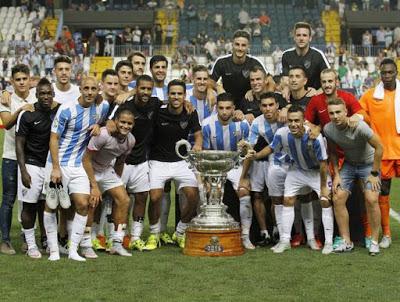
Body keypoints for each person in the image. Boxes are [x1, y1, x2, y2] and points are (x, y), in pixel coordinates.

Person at [247, 105, 334, 254]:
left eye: (297, 121)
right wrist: (256, 155)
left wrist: (323, 186)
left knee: (325, 200)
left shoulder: (314, 137)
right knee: (287, 200)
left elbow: (323, 163)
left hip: (316, 172)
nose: (293, 124)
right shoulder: (282, 133)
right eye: (290, 121)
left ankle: (328, 242)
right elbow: (272, 148)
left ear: (303, 121)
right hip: (297, 170)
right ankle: (285, 240)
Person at [45, 76, 109, 261]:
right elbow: (54, 138)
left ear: (98, 90)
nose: (89, 92)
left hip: (78, 164)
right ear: (80, 89)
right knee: (51, 206)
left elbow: (106, 120)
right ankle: (54, 250)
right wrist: (55, 168)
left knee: (83, 204)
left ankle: (73, 250)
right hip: (58, 164)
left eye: (93, 89)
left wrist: (99, 125)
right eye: (86, 88)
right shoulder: (66, 109)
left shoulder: (101, 108)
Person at [145, 80, 202, 250]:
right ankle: (154, 235)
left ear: (185, 96)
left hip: (181, 161)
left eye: (179, 94)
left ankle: (180, 232)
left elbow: (198, 134)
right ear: (168, 95)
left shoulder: (191, 112)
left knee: (193, 195)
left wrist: (198, 144)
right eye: (173, 93)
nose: (176, 97)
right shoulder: (157, 111)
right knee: (155, 197)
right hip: (158, 161)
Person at [107, 75, 160, 251]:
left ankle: (136, 237)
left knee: (141, 198)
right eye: (142, 88)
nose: (145, 92)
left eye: (148, 89)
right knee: (118, 199)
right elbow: (110, 123)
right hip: (122, 161)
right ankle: (114, 236)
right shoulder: (125, 106)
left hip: (141, 161)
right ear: (136, 88)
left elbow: (171, 103)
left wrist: (186, 104)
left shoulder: (155, 103)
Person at [324, 98, 383, 256]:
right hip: (349, 165)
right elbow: (333, 152)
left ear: (345, 112)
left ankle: (375, 241)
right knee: (337, 198)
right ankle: (346, 241)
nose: (335, 116)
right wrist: (336, 174)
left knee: (371, 199)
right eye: (331, 113)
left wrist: (375, 173)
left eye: (338, 112)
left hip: (369, 164)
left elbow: (379, 147)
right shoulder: (329, 129)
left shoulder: (360, 126)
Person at [202, 93, 254, 249]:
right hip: (215, 167)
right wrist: (206, 177)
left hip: (236, 166)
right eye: (221, 108)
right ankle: (211, 233)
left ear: (234, 109)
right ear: (216, 108)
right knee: (210, 194)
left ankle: (245, 236)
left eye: (228, 108)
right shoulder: (206, 125)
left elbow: (248, 153)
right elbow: (205, 153)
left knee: (244, 192)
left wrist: (244, 176)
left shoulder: (243, 124)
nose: (224, 112)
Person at [82, 108, 136, 256]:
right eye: (123, 122)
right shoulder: (103, 135)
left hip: (106, 170)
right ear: (116, 121)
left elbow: (120, 162)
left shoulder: (131, 140)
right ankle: (86, 244)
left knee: (124, 200)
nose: (125, 126)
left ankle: (117, 243)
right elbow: (86, 159)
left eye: (129, 123)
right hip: (89, 169)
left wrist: (115, 185)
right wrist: (94, 186)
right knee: (93, 203)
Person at [15, 78, 59, 259]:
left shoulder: (59, 111)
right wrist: (23, 171)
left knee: (48, 206)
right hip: (32, 165)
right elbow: (19, 144)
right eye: (42, 93)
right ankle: (31, 245)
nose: (46, 97)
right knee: (30, 206)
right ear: (37, 95)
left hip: (50, 166)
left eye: (49, 93)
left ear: (53, 95)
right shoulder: (27, 115)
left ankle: (48, 241)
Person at [359, 58, 400, 249]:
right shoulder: (369, 96)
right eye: (384, 73)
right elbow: (358, 114)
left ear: (396, 72)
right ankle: (387, 234)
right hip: (383, 152)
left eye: (391, 72)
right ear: (380, 74)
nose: (387, 76)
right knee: (383, 194)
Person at [239, 92, 289, 247]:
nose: (268, 109)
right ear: (260, 107)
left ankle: (280, 231)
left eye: (271, 105)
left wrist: (288, 108)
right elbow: (250, 148)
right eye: (264, 106)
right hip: (268, 159)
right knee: (258, 195)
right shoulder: (257, 124)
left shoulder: (286, 118)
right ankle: (265, 233)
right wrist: (243, 174)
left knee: (281, 197)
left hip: (289, 160)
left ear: (277, 106)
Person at [0, 64, 36, 255]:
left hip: (31, 157)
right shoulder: (5, 99)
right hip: (11, 157)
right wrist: (22, 109)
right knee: (8, 199)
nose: (22, 82)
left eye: (24, 79)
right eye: (18, 79)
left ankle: (26, 238)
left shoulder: (37, 97)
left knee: (28, 200)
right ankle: (5, 240)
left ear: (30, 79)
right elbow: (6, 124)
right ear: (12, 81)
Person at [210, 30, 268, 107]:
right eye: (237, 44)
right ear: (232, 45)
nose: (240, 48)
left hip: (249, 105)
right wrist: (218, 87)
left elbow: (270, 82)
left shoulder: (254, 62)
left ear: (248, 47)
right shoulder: (222, 62)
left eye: (243, 45)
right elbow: (210, 81)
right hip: (227, 106)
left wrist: (254, 91)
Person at [281, 22, 330, 100]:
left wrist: (318, 92)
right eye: (298, 35)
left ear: (310, 38)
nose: (301, 38)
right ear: (294, 37)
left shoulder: (317, 55)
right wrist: (286, 87)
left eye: (304, 35)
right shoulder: (286, 55)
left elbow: (330, 79)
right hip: (295, 98)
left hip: (314, 97)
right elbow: (285, 78)